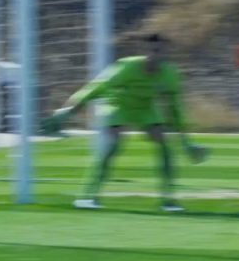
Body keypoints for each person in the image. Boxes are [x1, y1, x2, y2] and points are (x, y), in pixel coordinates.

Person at [45, 34, 205, 211]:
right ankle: (87, 195)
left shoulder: (169, 74)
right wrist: (69, 110)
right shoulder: (127, 66)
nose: (156, 55)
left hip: (145, 108)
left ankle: (168, 199)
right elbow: (96, 87)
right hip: (117, 103)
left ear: (167, 53)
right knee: (115, 143)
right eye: (153, 50)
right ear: (146, 51)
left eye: (161, 51)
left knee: (164, 144)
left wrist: (186, 143)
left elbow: (175, 109)